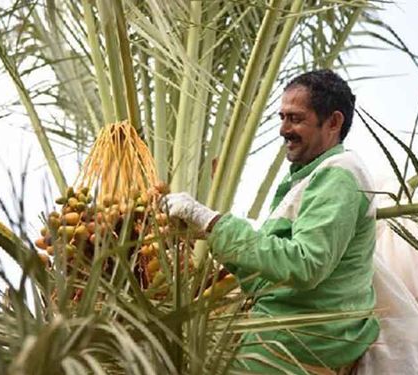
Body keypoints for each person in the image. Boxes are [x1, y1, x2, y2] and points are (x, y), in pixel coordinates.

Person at [162, 69, 379, 374]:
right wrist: (207, 233)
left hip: (298, 347)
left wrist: (213, 222)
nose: (283, 129)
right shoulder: (310, 177)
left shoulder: (339, 176)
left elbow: (306, 264)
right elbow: (268, 277)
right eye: (282, 117)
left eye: (296, 118)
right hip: (282, 340)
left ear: (333, 122)